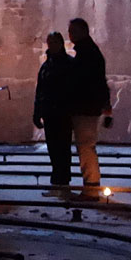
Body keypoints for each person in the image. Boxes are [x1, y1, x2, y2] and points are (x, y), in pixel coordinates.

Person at [67, 17, 114, 198]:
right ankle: (91, 185)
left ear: (82, 32)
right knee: (86, 146)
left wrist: (105, 107)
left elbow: (95, 83)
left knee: (86, 146)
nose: (70, 35)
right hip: (86, 106)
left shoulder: (87, 54)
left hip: (85, 107)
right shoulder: (88, 52)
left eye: (73, 31)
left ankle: (92, 187)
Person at [32, 31, 76, 197]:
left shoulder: (67, 64)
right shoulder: (47, 65)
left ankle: (63, 183)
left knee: (62, 149)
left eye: (53, 42)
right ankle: (58, 182)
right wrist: (37, 112)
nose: (51, 46)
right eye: (49, 42)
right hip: (51, 112)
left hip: (63, 113)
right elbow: (40, 90)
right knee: (54, 149)